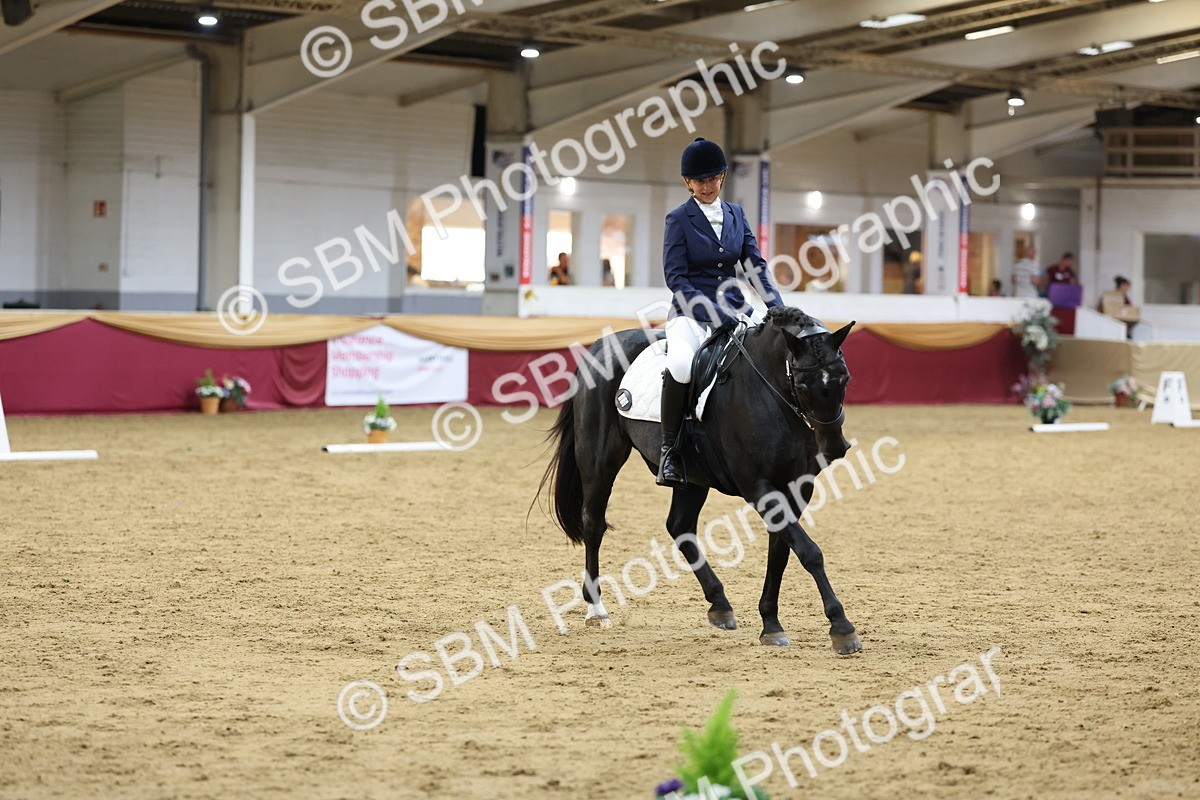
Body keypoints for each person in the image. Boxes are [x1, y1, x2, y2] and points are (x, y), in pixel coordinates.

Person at [657, 137, 784, 487]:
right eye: (700, 181)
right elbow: (676, 279)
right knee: (681, 364)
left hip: (737, 306)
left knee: (774, 347)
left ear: (724, 176)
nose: (708, 186)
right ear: (688, 183)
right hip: (689, 312)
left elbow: (755, 265)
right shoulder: (678, 219)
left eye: (714, 178)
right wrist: (713, 313)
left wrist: (776, 306)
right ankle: (670, 449)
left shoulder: (736, 214)